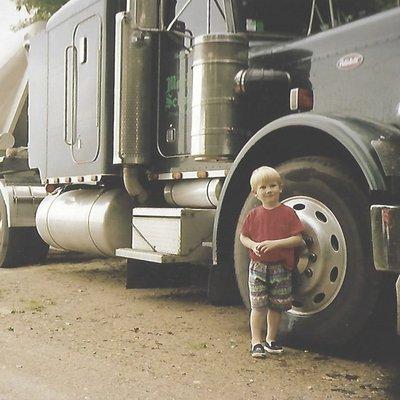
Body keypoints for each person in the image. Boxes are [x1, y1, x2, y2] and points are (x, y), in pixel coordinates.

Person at [240, 166, 304, 358]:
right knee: (258, 306)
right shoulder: (253, 215)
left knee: (276, 306)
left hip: (280, 268)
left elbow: (297, 239)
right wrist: (253, 245)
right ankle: (255, 341)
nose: (268, 190)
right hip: (258, 268)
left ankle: (271, 339)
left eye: (273, 185)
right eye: (263, 187)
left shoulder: (288, 213)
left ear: (280, 188)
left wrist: (275, 244)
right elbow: (243, 237)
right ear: (255, 193)